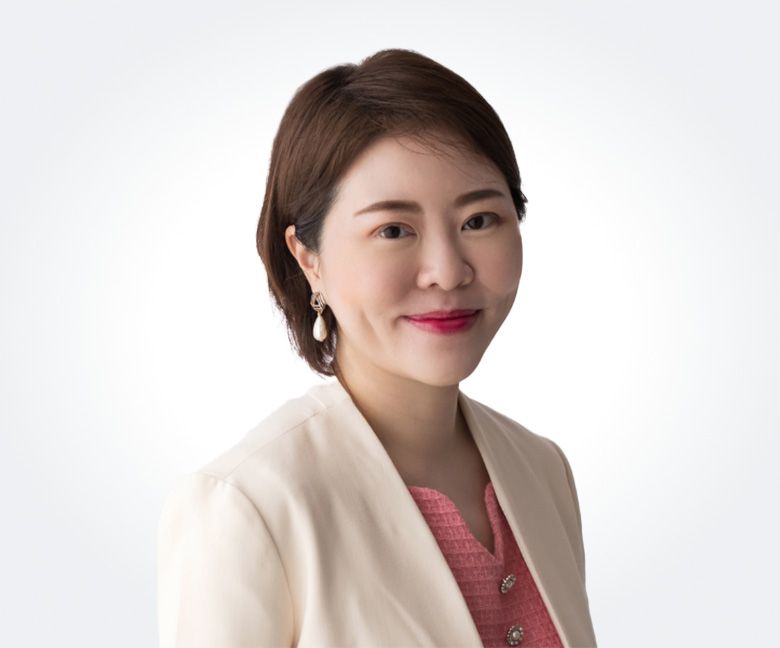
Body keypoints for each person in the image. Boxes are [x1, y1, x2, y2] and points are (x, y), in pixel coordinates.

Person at [157, 48, 597, 648]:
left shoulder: (543, 471)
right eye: (393, 230)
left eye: (478, 220)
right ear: (308, 258)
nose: (447, 271)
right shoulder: (247, 506)